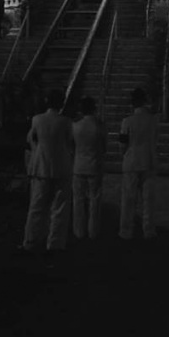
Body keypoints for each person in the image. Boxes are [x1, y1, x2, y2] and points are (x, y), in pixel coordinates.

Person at [21, 88, 74, 254]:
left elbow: (31, 139)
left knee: (36, 206)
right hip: (61, 166)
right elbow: (70, 144)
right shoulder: (66, 122)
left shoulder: (37, 120)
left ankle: (31, 240)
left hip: (41, 166)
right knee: (59, 208)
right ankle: (55, 243)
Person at [119, 87, 159, 241]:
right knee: (148, 200)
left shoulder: (127, 121)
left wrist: (124, 155)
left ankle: (125, 230)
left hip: (131, 161)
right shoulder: (153, 120)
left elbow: (122, 144)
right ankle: (149, 230)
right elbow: (155, 139)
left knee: (128, 200)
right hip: (148, 161)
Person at [72, 96, 106, 240]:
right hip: (94, 165)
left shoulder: (75, 126)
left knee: (78, 199)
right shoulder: (100, 126)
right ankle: (93, 231)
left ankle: (79, 231)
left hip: (78, 165)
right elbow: (104, 147)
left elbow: (71, 146)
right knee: (95, 199)